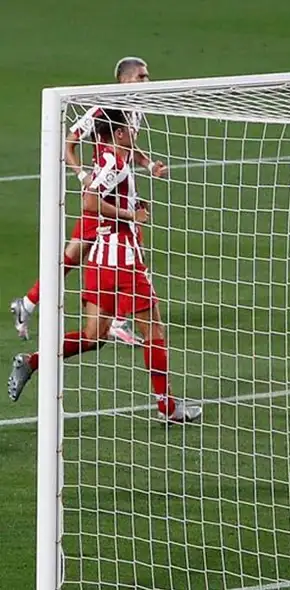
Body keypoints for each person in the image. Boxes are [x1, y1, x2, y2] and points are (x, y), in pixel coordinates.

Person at [8, 108, 200, 424]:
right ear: (120, 133)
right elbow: (90, 202)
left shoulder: (111, 160)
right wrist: (131, 215)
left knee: (93, 336)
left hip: (99, 262)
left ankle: (31, 361)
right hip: (124, 261)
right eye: (129, 131)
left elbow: (102, 195)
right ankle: (168, 408)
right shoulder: (115, 163)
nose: (134, 133)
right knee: (154, 331)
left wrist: (132, 202)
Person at [10, 57, 165, 345]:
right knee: (120, 251)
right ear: (124, 80)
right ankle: (115, 319)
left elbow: (129, 147)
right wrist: (83, 176)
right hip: (102, 197)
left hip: (118, 191)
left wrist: (149, 164)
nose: (147, 81)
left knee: (81, 255)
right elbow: (68, 143)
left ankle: (29, 304)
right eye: (141, 76)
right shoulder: (101, 109)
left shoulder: (136, 110)